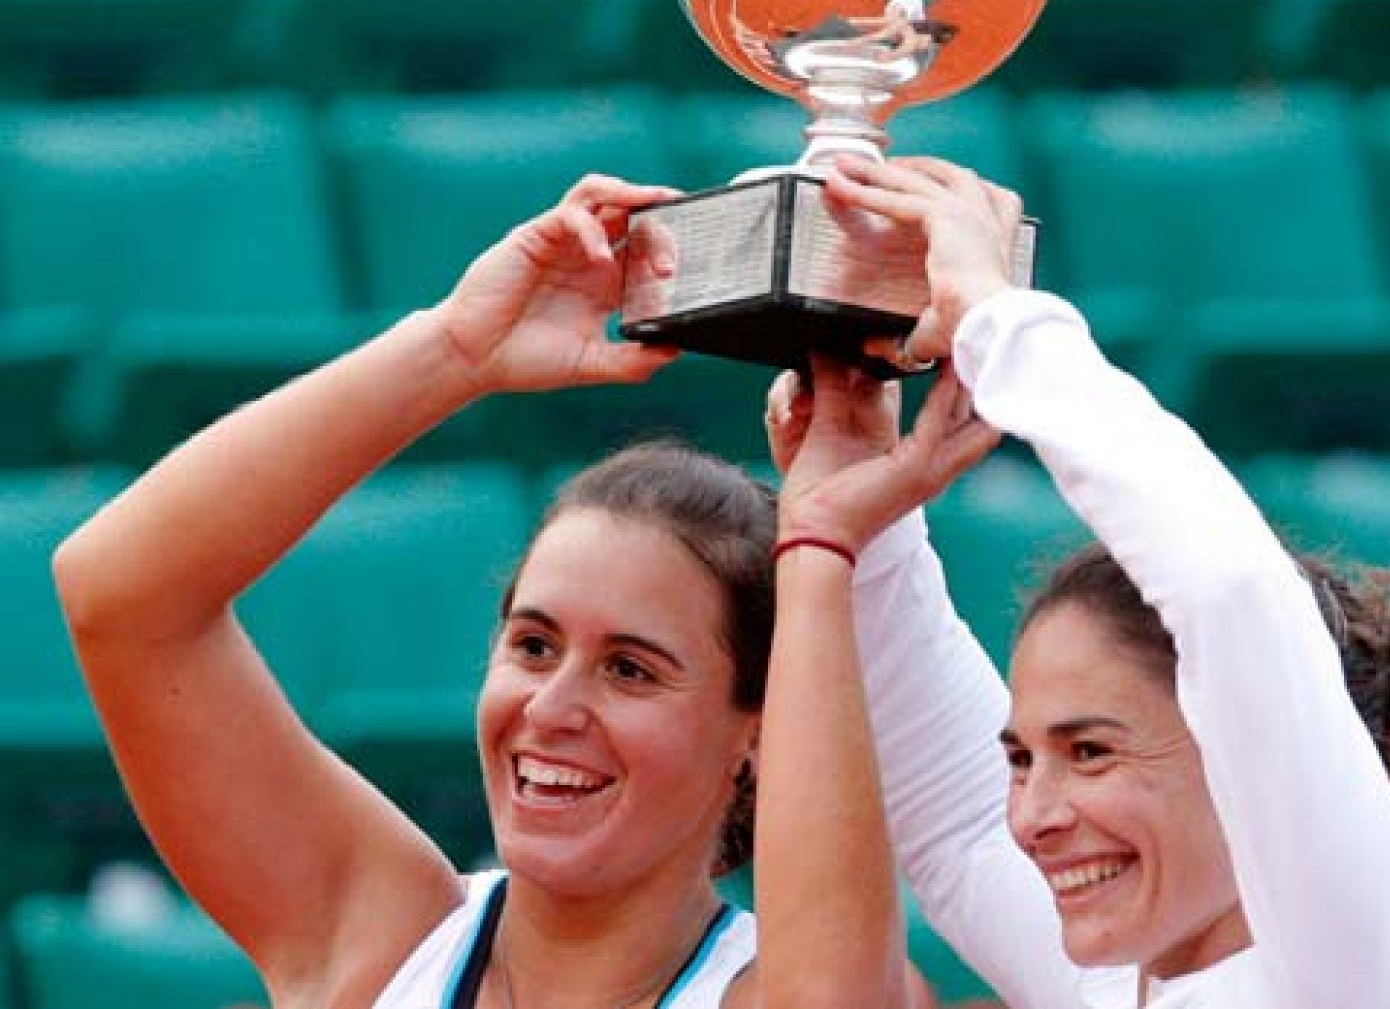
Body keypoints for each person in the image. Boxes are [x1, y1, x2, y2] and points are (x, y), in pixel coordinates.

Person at [51, 173, 936, 1009]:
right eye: (534, 644)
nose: (551, 707)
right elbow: (124, 597)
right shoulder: (384, 940)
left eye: (630, 669)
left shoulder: (785, 989)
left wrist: (821, 543)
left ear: (757, 730)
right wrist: (454, 350)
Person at [760, 153, 1390, 1008]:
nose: (1033, 816)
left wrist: (998, 320)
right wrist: (864, 512)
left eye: (1091, 751)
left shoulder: (1351, 958)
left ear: (1237, 732)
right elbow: (958, 826)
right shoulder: (1106, 976)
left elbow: (1229, 590)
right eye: (1025, 759)